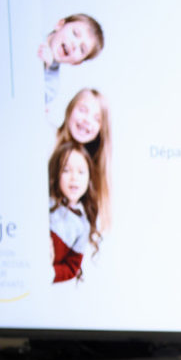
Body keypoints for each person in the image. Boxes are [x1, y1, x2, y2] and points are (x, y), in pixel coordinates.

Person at [56, 88, 112, 231]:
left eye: (97, 118)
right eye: (83, 110)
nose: (87, 120)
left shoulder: (93, 169)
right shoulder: (47, 142)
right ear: (70, 109)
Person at [49, 141, 101, 282]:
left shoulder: (82, 225)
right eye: (66, 170)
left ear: (89, 178)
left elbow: (72, 267)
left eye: (81, 172)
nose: (74, 178)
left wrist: (50, 273)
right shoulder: (45, 204)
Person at [37, 14, 104, 109]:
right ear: (60, 25)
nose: (75, 45)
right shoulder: (28, 31)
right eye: (75, 33)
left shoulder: (51, 87)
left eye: (82, 49)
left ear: (76, 63)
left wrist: (43, 67)